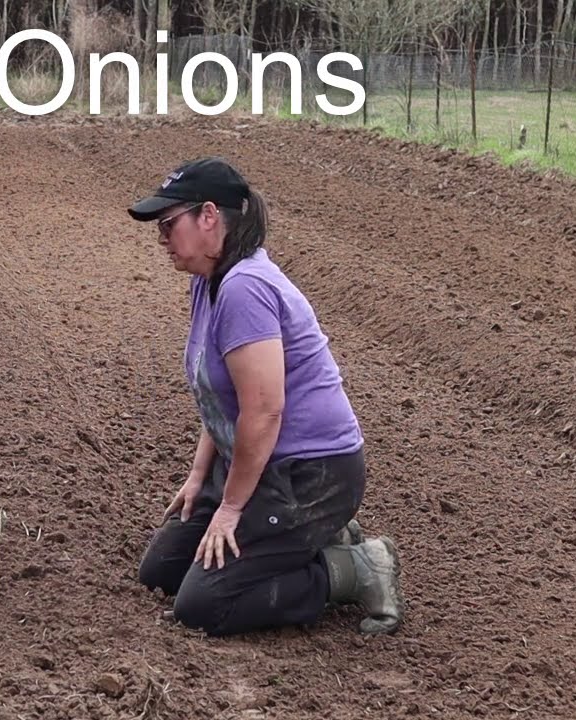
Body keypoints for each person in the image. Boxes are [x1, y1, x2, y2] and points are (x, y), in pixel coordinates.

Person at [128, 156, 403, 637]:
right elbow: (221, 397)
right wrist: (199, 479)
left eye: (169, 224)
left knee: (203, 604)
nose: (161, 237)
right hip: (260, 463)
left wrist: (230, 509)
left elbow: (263, 409)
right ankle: (312, 540)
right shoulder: (207, 281)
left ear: (209, 217)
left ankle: (357, 567)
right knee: (162, 571)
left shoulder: (245, 289)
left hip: (309, 475)